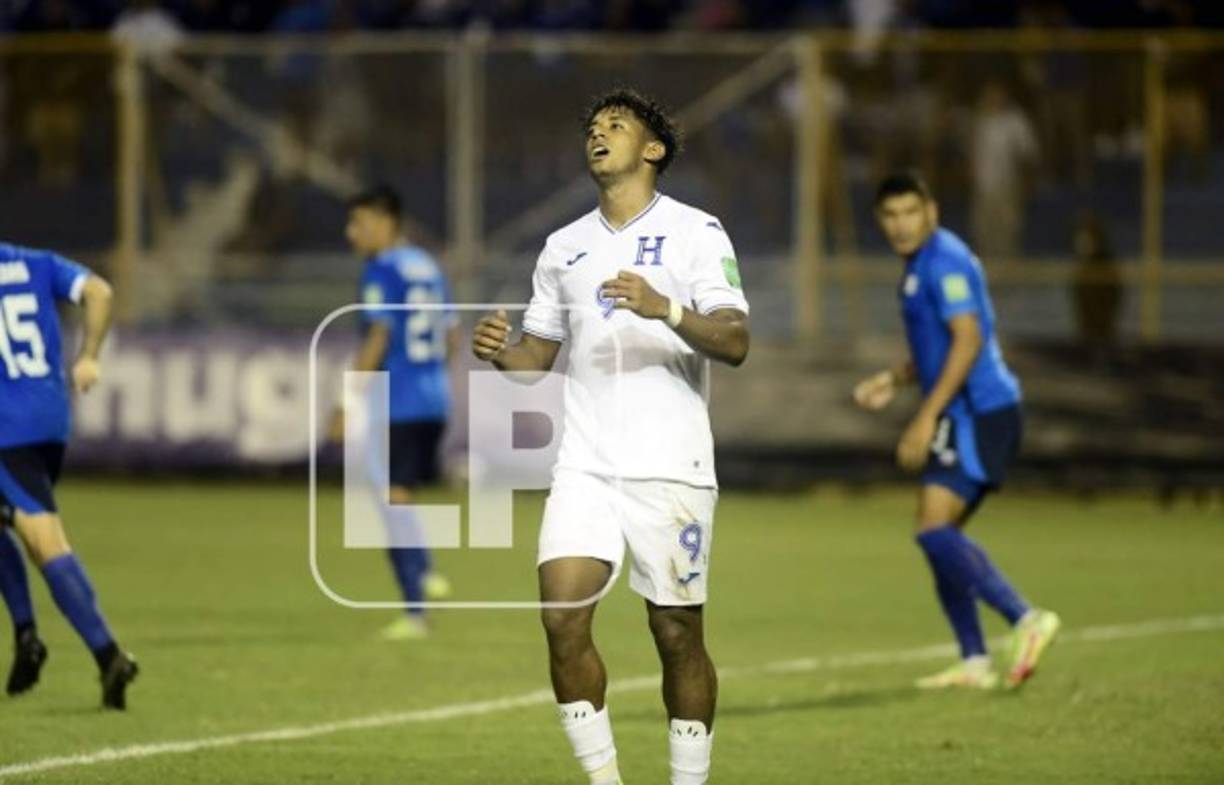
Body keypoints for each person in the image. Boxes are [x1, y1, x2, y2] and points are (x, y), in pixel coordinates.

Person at [472, 88, 750, 785]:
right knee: (562, 614)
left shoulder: (696, 231)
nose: (599, 134)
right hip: (586, 463)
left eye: (617, 125)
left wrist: (667, 307)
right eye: (592, 127)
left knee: (676, 631)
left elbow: (737, 340)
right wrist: (500, 350)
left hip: (671, 462)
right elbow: (536, 358)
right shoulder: (563, 248)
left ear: (652, 150)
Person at [853, 172, 1059, 690]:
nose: (901, 225)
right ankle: (974, 661)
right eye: (891, 215)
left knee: (933, 530)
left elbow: (966, 342)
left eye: (910, 213)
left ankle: (1025, 619)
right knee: (939, 536)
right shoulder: (920, 265)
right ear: (881, 221)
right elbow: (937, 347)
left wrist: (925, 416)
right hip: (969, 413)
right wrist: (894, 379)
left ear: (932, 212)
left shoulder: (943, 260)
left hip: (982, 413)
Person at [0, 242, 139, 709]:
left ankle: (108, 653)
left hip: (6, 427)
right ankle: (26, 637)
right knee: (11, 526)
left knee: (44, 541)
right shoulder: (35, 263)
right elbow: (99, 291)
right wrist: (89, 355)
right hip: (49, 417)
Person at [328, 185, 455, 641]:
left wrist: (347, 401)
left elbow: (378, 335)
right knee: (400, 492)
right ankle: (425, 569)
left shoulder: (381, 269)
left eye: (358, 223)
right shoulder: (429, 266)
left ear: (385, 223)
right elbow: (452, 334)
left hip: (398, 400)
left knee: (389, 497)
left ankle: (416, 609)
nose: (352, 233)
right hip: (435, 396)